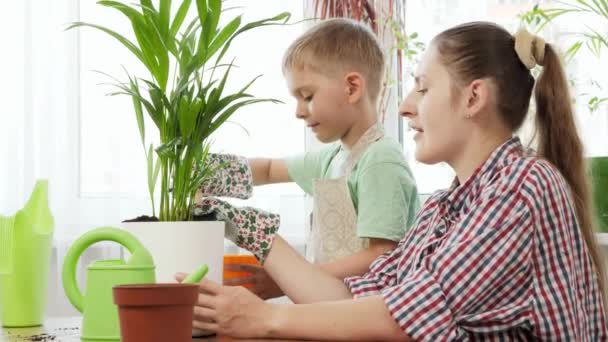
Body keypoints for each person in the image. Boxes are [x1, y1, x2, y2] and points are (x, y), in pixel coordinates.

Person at [182, 21, 608, 340]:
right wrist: (246, 226)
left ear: (474, 98)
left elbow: (401, 319)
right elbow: (353, 299)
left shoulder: (520, 189)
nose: (405, 108)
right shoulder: (446, 209)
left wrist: (265, 318)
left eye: (422, 89)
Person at [195, 18, 420, 299]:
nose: (299, 112)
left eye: (307, 96)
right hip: (333, 306)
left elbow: (382, 256)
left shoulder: (380, 160)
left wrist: (291, 278)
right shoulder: (332, 158)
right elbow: (267, 169)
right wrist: (204, 174)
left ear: (352, 88)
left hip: (367, 312)